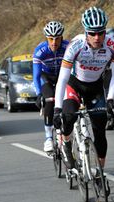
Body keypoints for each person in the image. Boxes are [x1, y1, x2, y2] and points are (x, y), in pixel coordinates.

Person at [53, 7, 114, 169]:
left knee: (100, 130)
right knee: (68, 117)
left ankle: (100, 171)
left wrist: (111, 98)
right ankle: (67, 142)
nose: (97, 37)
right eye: (92, 33)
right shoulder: (75, 46)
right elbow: (62, 79)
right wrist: (57, 109)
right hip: (74, 84)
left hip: (95, 87)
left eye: (101, 32)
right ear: (85, 33)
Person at [33, 21, 69, 152]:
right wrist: (38, 94)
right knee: (49, 100)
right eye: (51, 39)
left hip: (62, 76)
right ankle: (48, 138)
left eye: (57, 38)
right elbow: (36, 76)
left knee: (68, 101)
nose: (54, 42)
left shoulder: (67, 47)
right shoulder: (40, 51)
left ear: (62, 38)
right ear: (46, 39)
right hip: (46, 77)